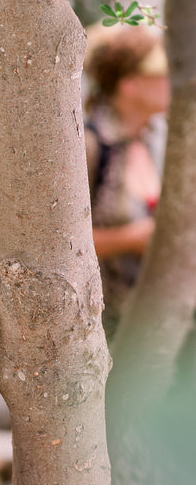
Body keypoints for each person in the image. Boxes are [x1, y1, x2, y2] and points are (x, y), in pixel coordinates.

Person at [83, 23, 169, 337]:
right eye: (161, 72)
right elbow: (58, 244)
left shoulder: (159, 141)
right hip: (108, 327)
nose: (170, 80)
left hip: (158, 323)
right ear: (130, 84)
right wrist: (132, 239)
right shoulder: (91, 146)